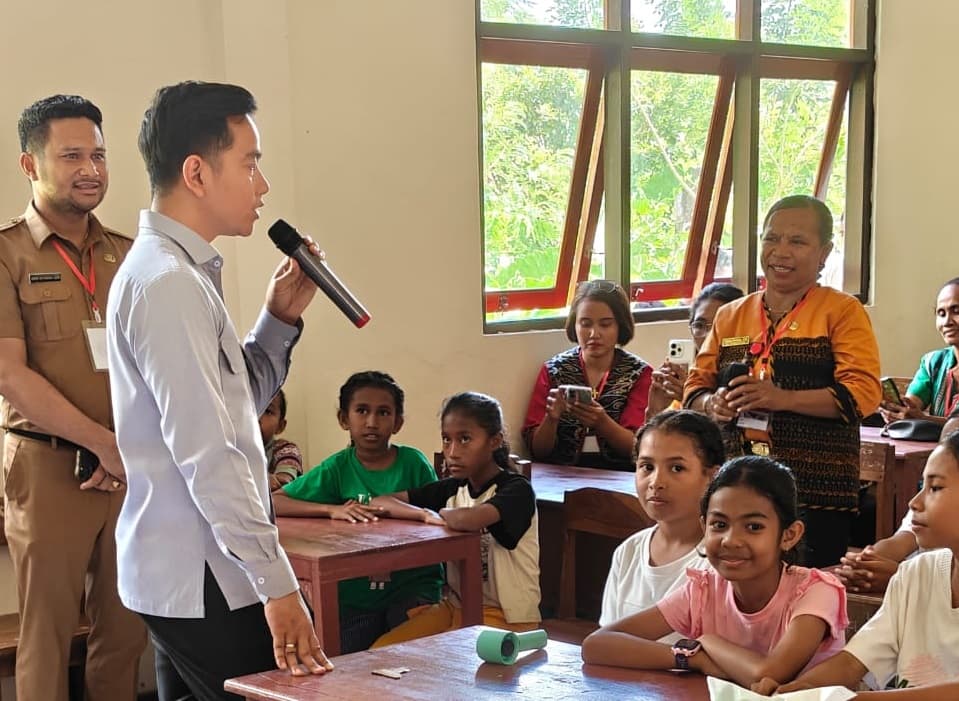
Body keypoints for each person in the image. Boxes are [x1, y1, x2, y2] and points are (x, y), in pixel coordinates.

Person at [105, 81, 332, 700]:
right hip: (204, 571)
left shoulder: (179, 273)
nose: (262, 186)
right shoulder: (168, 283)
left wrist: (279, 321)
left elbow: (233, 409)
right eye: (250, 163)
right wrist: (278, 585)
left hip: (194, 570)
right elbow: (209, 453)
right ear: (197, 173)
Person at [0, 94, 146, 701]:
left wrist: (126, 449)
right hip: (50, 463)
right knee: (48, 634)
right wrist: (101, 443)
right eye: (72, 156)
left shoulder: (129, 252)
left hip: (130, 468)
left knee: (127, 627)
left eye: (100, 155)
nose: (91, 169)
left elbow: (150, 366)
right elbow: (9, 373)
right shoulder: (6, 253)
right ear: (30, 165)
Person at [684, 195, 881, 567]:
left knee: (804, 600)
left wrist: (781, 398)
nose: (780, 252)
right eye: (771, 239)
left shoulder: (841, 311)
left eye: (797, 242)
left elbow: (863, 395)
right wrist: (713, 404)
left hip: (813, 495)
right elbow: (695, 387)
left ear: (824, 252)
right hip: (736, 489)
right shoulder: (730, 315)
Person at [582, 456, 847, 691]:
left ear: (789, 535)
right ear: (704, 526)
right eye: (719, 524)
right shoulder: (704, 590)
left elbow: (770, 675)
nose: (731, 540)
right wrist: (690, 657)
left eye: (753, 527)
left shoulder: (815, 591)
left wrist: (707, 641)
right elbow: (597, 644)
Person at [768, 432, 959, 698]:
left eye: (935, 488)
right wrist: (802, 690)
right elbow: (853, 662)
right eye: (920, 487)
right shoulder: (916, 574)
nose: (914, 503)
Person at [273, 370, 443, 652]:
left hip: (413, 586)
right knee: (347, 667)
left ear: (398, 422)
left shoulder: (413, 463)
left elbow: (439, 515)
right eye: (362, 411)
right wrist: (331, 510)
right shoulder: (337, 468)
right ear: (344, 419)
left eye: (384, 413)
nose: (372, 422)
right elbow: (277, 502)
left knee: (410, 660)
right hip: (354, 594)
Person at [369, 391, 541, 645]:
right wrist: (422, 514)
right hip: (456, 608)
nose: (452, 452)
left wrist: (441, 514)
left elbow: (468, 520)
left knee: (443, 664)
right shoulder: (452, 488)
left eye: (465, 439)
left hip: (508, 618)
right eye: (446, 440)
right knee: (382, 650)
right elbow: (380, 502)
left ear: (495, 441)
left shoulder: (516, 489)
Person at [599, 410, 725, 634]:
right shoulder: (627, 552)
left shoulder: (721, 561)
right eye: (647, 467)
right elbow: (606, 640)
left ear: (712, 477)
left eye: (677, 468)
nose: (656, 482)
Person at [523, 280, 652, 470]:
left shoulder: (640, 373)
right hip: (560, 474)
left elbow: (638, 448)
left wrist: (602, 422)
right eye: (585, 324)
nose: (594, 334)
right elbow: (537, 451)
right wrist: (551, 419)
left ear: (620, 326)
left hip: (619, 476)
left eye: (605, 324)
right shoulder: (553, 370)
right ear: (574, 326)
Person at [646, 283, 744, 419]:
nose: (708, 335)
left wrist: (692, 399)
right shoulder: (679, 380)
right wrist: (654, 410)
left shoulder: (746, 376)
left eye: (718, 326)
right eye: (699, 325)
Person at [880, 278, 959, 425]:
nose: (947, 322)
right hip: (934, 448)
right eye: (941, 313)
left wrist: (924, 419)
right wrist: (898, 411)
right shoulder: (933, 362)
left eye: (956, 311)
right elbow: (911, 407)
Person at [259, 388, 303, 490]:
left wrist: (267, 480)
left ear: (280, 426)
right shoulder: (229, 446)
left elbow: (284, 482)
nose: (257, 416)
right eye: (251, 408)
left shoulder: (285, 449)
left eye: (268, 411)